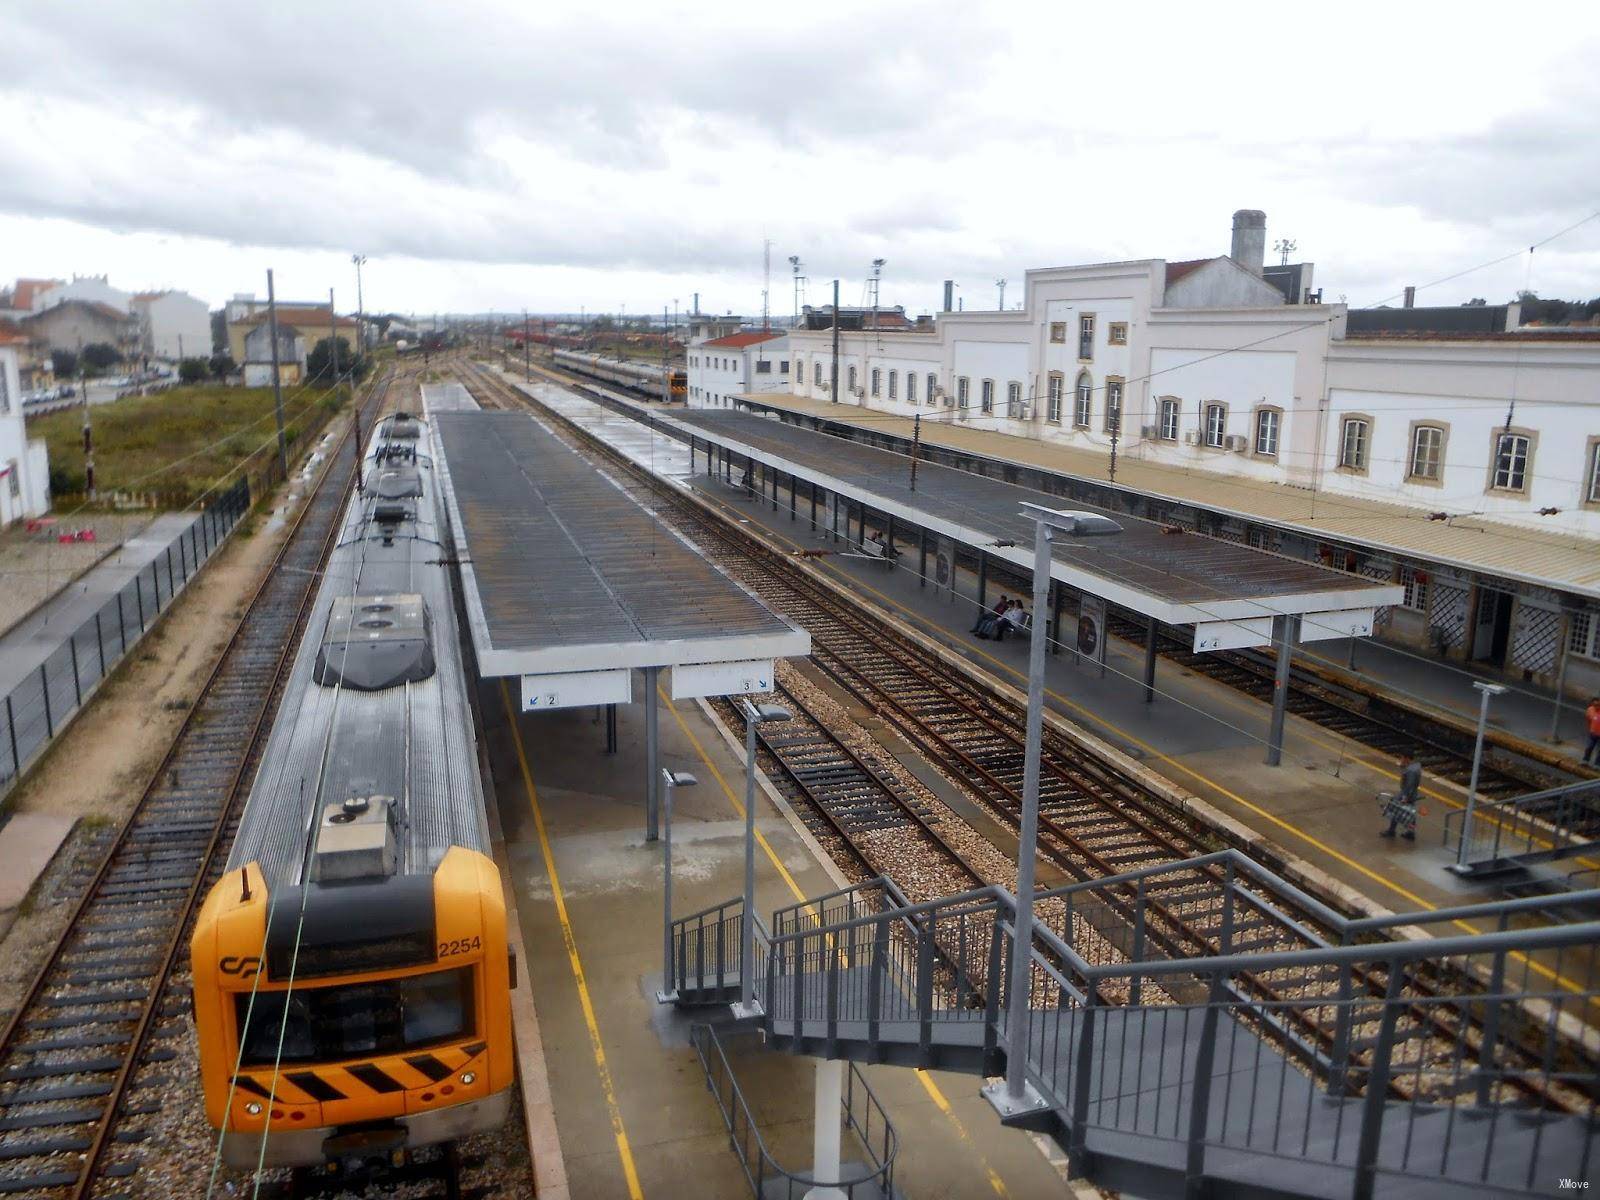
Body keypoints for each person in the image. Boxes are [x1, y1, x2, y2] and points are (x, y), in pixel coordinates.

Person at [1380, 750, 1423, 840]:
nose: (1401, 759)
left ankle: (1391, 831)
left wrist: (1405, 797)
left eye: (1402, 758)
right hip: (1412, 794)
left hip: (1406, 794)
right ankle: (1411, 832)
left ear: (1407, 758)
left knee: (1395, 810)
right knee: (1411, 813)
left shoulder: (1411, 771)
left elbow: (1409, 785)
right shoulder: (1415, 767)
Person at [1585, 697, 1600, 766]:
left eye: (1598, 705)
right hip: (1593, 733)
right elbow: (1588, 719)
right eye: (1595, 705)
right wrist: (1590, 728)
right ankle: (1585, 760)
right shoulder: (1590, 710)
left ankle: (1597, 764)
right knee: (1589, 747)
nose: (1596, 707)